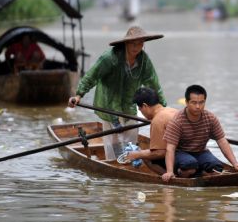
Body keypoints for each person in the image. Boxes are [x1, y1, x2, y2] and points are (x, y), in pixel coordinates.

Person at [68, 26, 167, 161]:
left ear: (143, 44)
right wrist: (78, 95)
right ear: (126, 43)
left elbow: (154, 84)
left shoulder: (144, 61)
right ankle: (113, 165)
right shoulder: (110, 58)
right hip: (109, 106)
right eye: (133, 43)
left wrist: (163, 109)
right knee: (113, 143)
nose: (136, 47)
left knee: (131, 140)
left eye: (139, 43)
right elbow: (92, 76)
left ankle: (130, 163)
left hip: (129, 106)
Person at [161, 85, 238, 182]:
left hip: (200, 152)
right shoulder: (177, 121)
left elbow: (222, 141)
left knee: (217, 167)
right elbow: (170, 148)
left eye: (201, 102)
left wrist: (235, 163)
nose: (198, 107)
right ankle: (181, 172)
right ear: (186, 102)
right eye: (194, 103)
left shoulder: (210, 118)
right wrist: (169, 171)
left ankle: (200, 171)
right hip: (181, 153)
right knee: (190, 165)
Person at [126, 87, 178, 169]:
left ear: (145, 106)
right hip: (188, 152)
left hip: (179, 155)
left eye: (140, 109)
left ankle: (169, 178)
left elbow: (160, 153)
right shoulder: (173, 110)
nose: (141, 112)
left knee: (146, 157)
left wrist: (138, 154)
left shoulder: (157, 120)